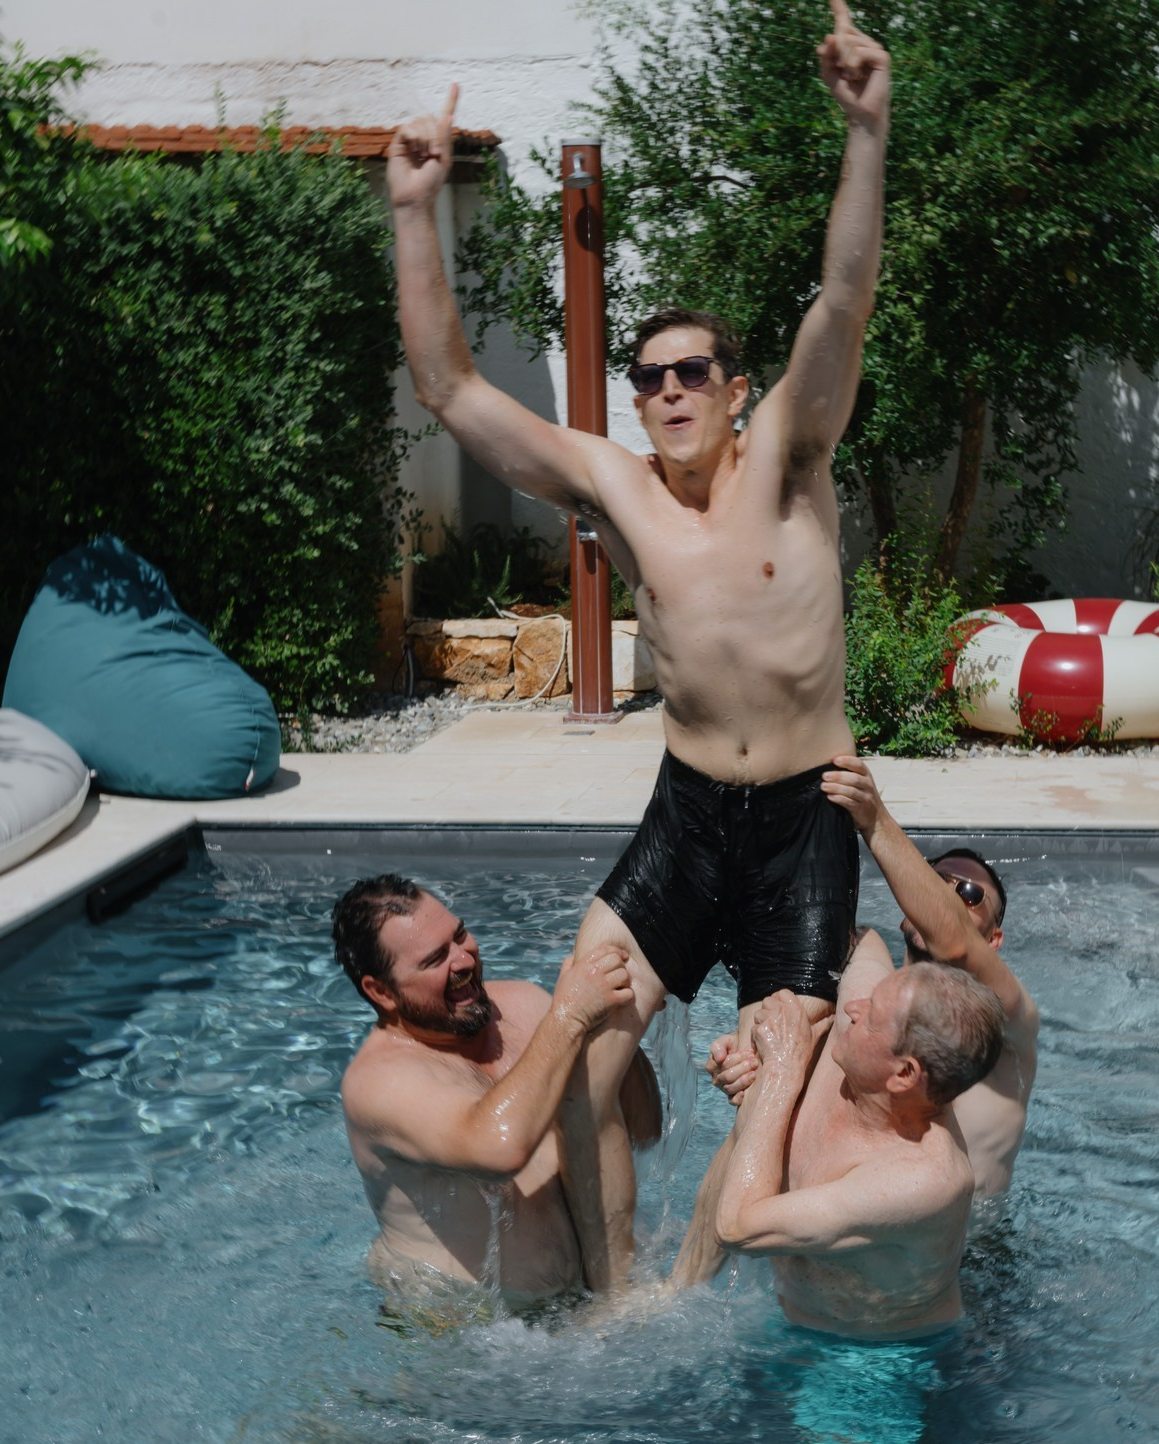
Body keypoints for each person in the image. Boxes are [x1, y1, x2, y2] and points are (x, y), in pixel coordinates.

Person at [383, 0, 893, 1291]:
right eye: (648, 375)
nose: (664, 390)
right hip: (685, 808)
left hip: (802, 816)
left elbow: (843, 296)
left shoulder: (786, 459)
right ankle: (619, 1306)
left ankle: (688, 1295)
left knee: (778, 1082)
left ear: (735, 388)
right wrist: (412, 210)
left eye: (690, 373)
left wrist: (866, 133)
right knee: (582, 1042)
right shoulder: (617, 483)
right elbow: (450, 388)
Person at [709, 756, 1040, 1196]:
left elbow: (955, 941)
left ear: (995, 938)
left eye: (969, 893)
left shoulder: (1007, 1016)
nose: (946, 893)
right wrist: (746, 1058)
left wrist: (876, 821)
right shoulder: (864, 1002)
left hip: (966, 1254)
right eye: (935, 879)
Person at [333, 875, 657, 1323]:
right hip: (460, 1337)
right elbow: (501, 1148)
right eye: (435, 958)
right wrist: (570, 1015)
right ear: (381, 992)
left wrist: (621, 1027)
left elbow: (643, 1130)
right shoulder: (379, 1083)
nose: (464, 960)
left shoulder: (523, 1005)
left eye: (460, 935)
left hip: (579, 1311)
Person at [688, 964, 1002, 1339]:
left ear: (904, 1074)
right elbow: (853, 938)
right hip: (789, 1316)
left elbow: (737, 1226)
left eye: (871, 1016)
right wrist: (750, 1046)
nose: (852, 1007)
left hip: (870, 1361)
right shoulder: (862, 1060)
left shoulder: (921, 1179)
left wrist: (780, 1073)